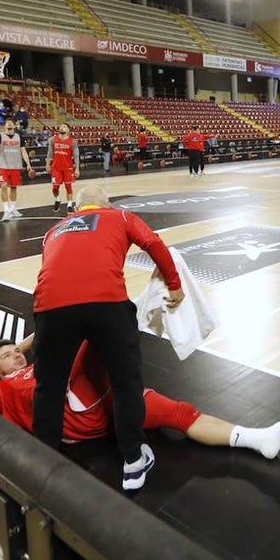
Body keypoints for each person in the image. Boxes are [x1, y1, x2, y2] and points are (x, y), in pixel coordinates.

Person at [32, 185, 185, 491]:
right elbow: (153, 242)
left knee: (48, 387)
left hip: (50, 308)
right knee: (125, 382)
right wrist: (174, 282)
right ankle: (133, 460)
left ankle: (41, 461)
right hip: (107, 304)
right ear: (107, 204)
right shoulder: (120, 217)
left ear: (77, 209)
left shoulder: (53, 231)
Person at [0, 335, 280, 459]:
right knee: (81, 334)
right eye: (8, 356)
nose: (17, 356)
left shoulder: (35, 364)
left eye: (18, 352)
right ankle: (127, 312)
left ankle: (258, 439)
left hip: (109, 402)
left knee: (181, 413)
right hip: (75, 412)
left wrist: (22, 348)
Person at [0, 119, 34, 221]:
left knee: (14, 187)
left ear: (14, 126)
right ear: (5, 126)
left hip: (15, 165)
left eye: (11, 123)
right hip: (3, 165)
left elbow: (23, 151)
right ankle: (6, 210)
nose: (9, 124)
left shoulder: (19, 137)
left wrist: (28, 164)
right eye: (7, 123)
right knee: (3, 186)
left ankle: (12, 209)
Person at [47, 124, 80, 213]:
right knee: (55, 187)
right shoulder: (52, 140)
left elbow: (76, 156)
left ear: (69, 130)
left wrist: (77, 168)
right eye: (61, 126)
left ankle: (69, 205)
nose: (62, 127)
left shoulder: (73, 142)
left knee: (68, 186)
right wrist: (47, 164)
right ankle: (57, 200)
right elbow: (50, 153)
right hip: (56, 167)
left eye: (64, 127)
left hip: (68, 168)